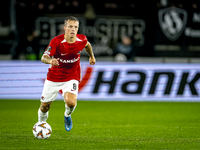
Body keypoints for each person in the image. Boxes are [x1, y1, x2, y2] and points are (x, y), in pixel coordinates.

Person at [38, 16, 96, 131]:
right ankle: (41, 125)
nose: (73, 29)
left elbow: (87, 45)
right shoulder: (56, 41)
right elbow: (44, 57)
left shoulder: (82, 39)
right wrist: (50, 61)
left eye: (75, 27)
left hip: (72, 75)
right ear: (65, 28)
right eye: (70, 26)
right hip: (54, 77)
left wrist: (91, 56)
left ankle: (67, 115)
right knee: (45, 107)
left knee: (71, 102)